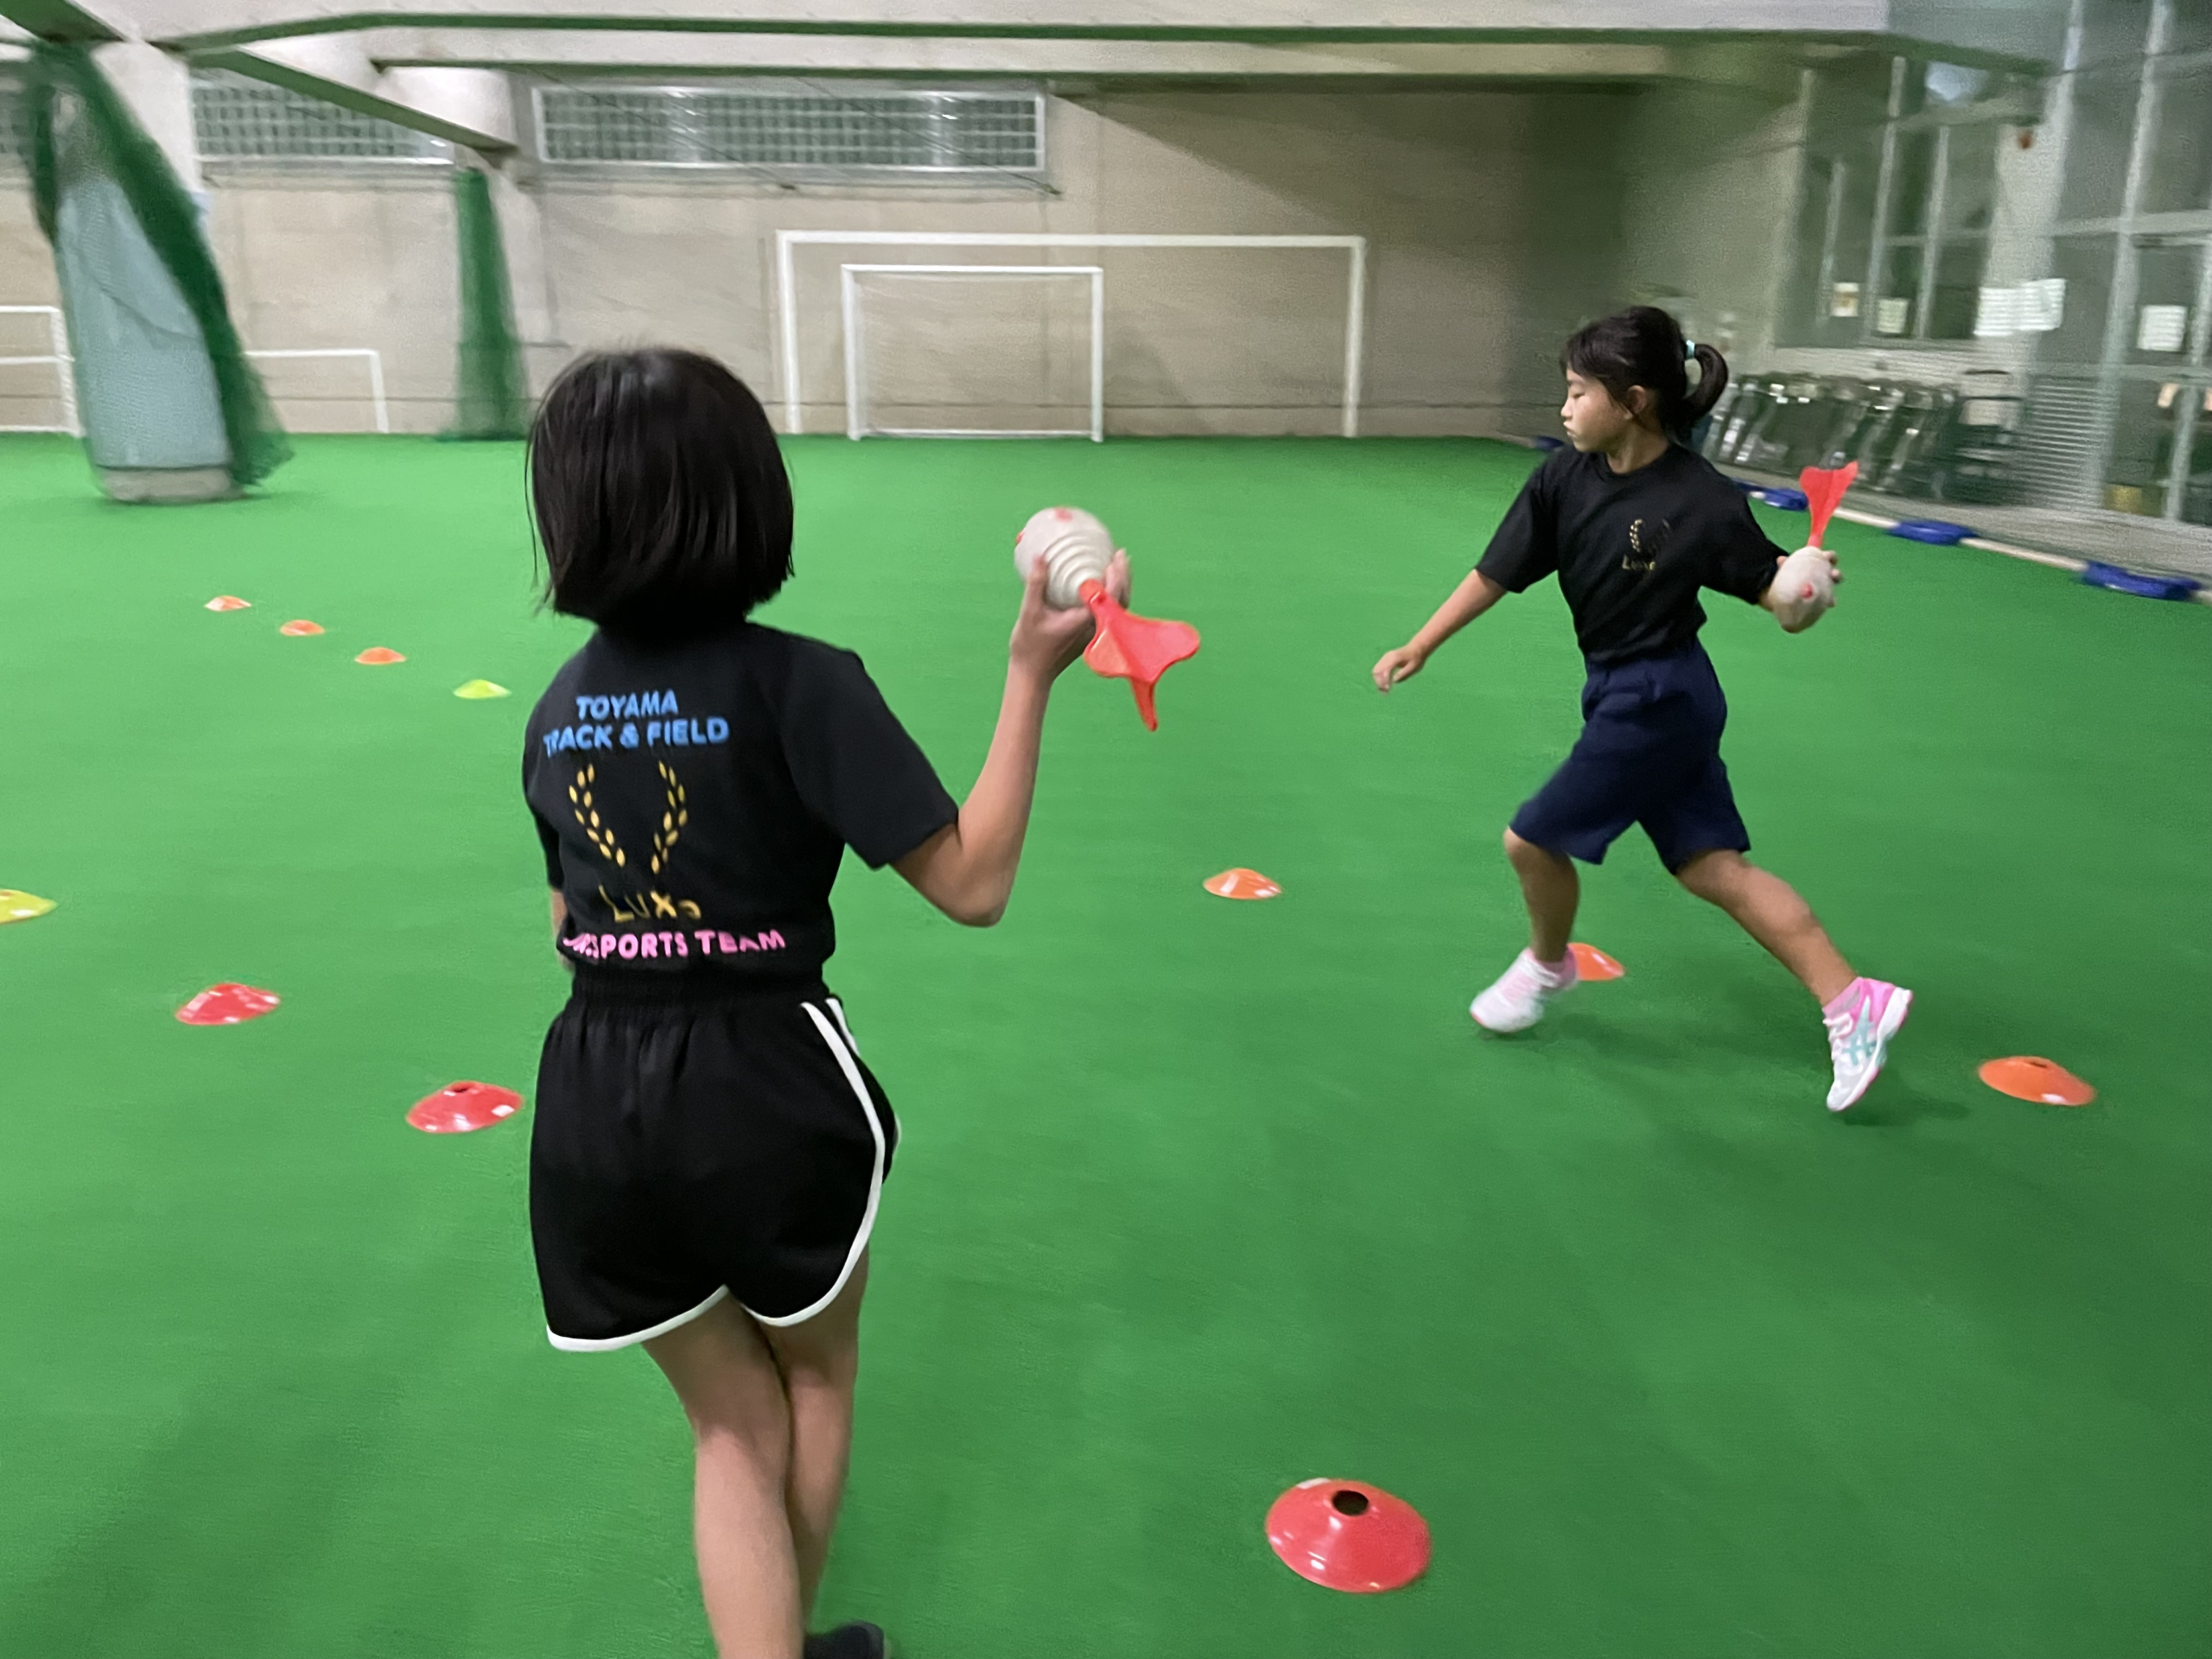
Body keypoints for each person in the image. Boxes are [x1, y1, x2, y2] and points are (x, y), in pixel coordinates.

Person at [519, 348, 1127, 1659]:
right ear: (750, 498)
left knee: (726, 1422)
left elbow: (569, 918)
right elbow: (971, 884)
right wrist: (1028, 676)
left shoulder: (558, 712)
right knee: (814, 1378)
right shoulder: (801, 682)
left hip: (589, 1101)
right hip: (765, 1090)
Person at [1370, 307, 1909, 1112]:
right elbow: (1500, 568)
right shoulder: (1563, 477)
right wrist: (1424, 641)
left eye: (1580, 392)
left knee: (1531, 840)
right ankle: (1850, 1001)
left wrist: (1808, 582)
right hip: (1627, 691)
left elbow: (1779, 598)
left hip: (1659, 695)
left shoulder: (1701, 499)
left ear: (1634, 400)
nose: (1565, 407)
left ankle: (1549, 964)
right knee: (1713, 869)